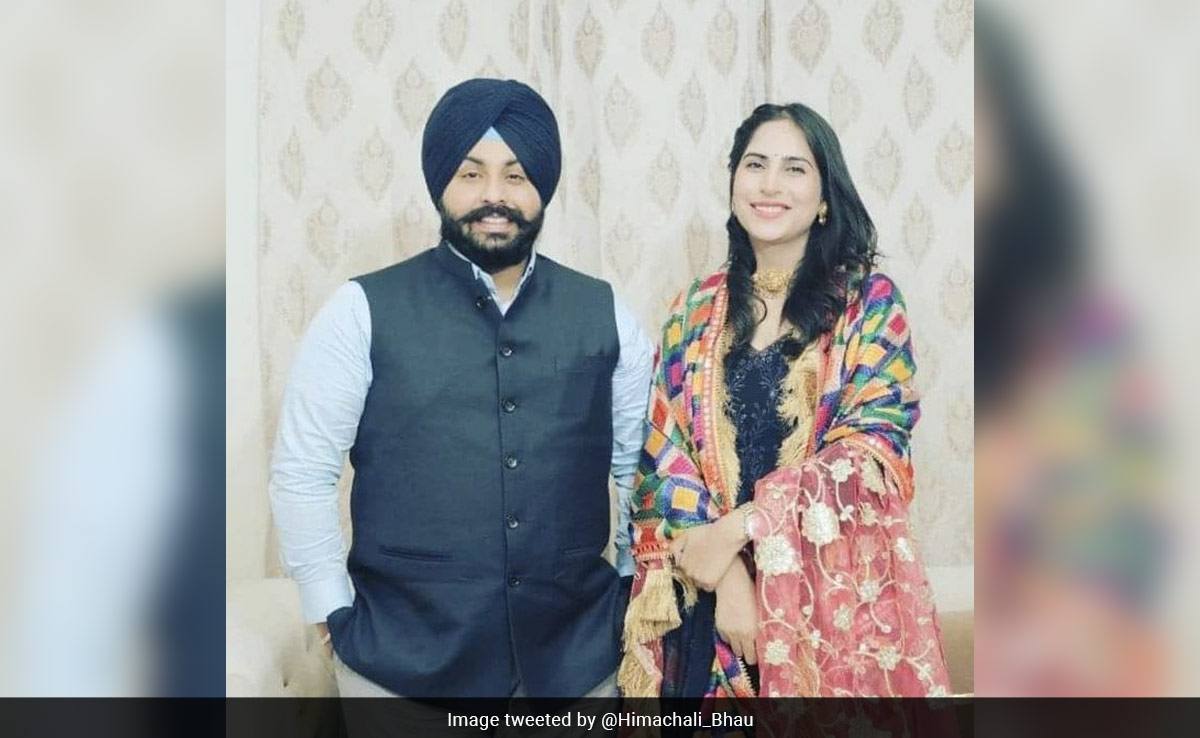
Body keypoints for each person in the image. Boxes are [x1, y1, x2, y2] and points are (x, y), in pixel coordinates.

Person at [268, 78, 654, 704]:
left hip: (578, 661)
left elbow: (639, 471)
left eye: (515, 175)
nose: (494, 195)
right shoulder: (359, 311)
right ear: (441, 182)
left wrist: (634, 593)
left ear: (542, 187)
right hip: (399, 669)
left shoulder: (605, 311)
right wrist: (330, 612)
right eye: (471, 174)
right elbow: (303, 472)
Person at [619, 103, 952, 700]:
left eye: (795, 169)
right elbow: (665, 457)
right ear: (733, 185)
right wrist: (730, 580)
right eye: (755, 165)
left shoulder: (869, 305)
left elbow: (869, 455)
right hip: (708, 611)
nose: (770, 184)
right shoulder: (695, 308)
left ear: (824, 197)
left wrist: (743, 526)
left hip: (826, 605)